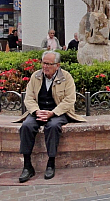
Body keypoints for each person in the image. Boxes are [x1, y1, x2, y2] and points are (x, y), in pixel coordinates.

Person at [16, 50, 85, 183]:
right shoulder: (35, 76)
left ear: (57, 65)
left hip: (58, 112)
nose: (45, 67)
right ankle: (27, 166)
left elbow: (70, 99)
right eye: (43, 63)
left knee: (52, 126)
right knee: (26, 126)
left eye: (49, 64)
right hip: (39, 111)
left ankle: (51, 162)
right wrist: (36, 111)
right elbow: (28, 98)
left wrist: (53, 113)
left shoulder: (66, 77)